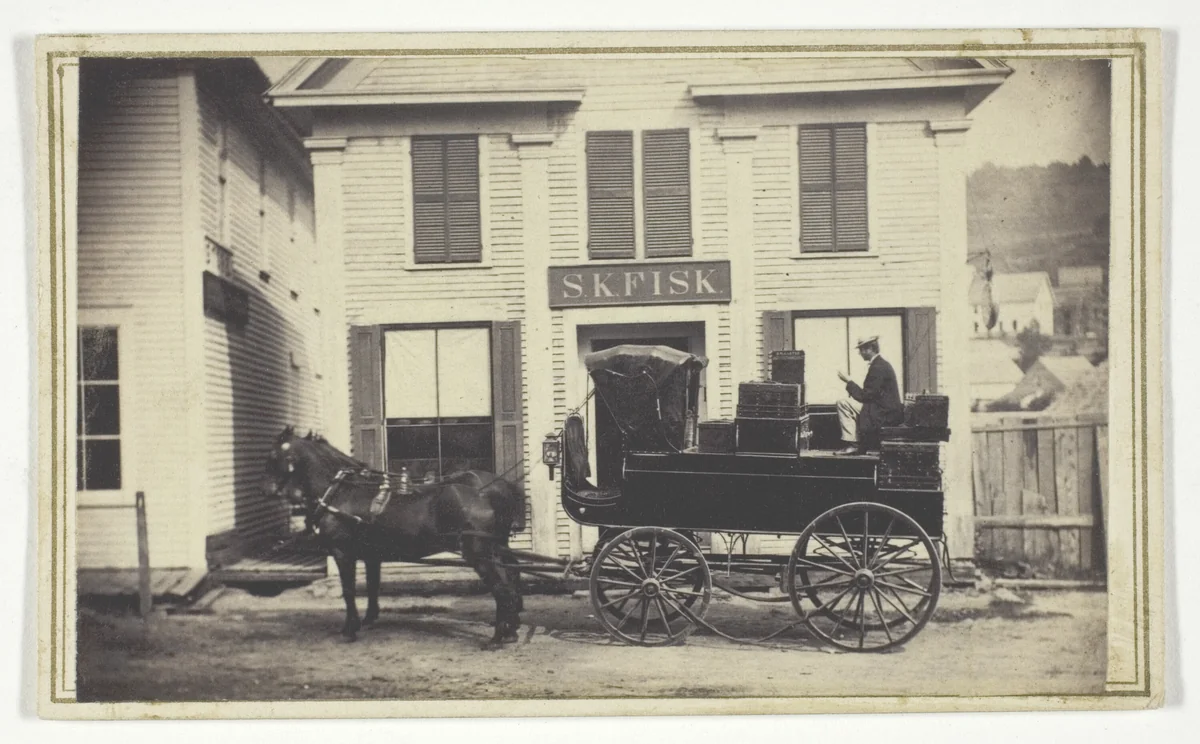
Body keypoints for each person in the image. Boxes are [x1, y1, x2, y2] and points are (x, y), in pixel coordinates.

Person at [835, 335, 904, 455]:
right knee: (847, 403)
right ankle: (855, 444)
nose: (860, 353)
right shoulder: (881, 364)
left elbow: (865, 396)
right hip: (885, 410)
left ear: (869, 349)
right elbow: (868, 394)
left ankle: (853, 445)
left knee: (842, 403)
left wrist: (848, 381)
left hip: (883, 414)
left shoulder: (878, 367)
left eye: (861, 350)